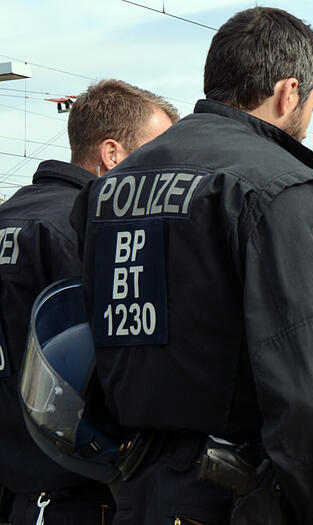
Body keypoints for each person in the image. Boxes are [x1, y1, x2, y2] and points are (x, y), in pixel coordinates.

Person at [69, 7, 313, 525]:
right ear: (289, 92)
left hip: (135, 491)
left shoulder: (106, 191)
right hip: (238, 498)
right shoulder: (282, 189)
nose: (307, 124)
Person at [0, 79, 176, 524]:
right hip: (75, 491)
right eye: (155, 154)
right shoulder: (88, 230)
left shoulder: (11, 217)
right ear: (112, 154)